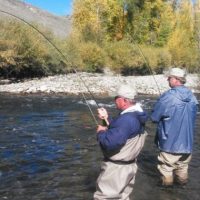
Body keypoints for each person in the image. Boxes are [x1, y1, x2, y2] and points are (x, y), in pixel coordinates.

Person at [94, 84, 148, 200]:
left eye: (116, 98)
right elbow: (119, 129)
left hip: (116, 170)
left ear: (124, 100)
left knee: (104, 198)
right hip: (129, 167)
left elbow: (108, 143)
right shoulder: (137, 115)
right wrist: (105, 119)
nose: (114, 101)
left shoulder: (126, 120)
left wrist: (101, 132)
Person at [151, 67, 199, 186]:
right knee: (182, 168)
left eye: (170, 77)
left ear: (176, 79)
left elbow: (154, 118)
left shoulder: (168, 96)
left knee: (166, 170)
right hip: (187, 144)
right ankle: (181, 191)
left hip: (170, 144)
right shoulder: (193, 97)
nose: (168, 79)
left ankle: (166, 194)